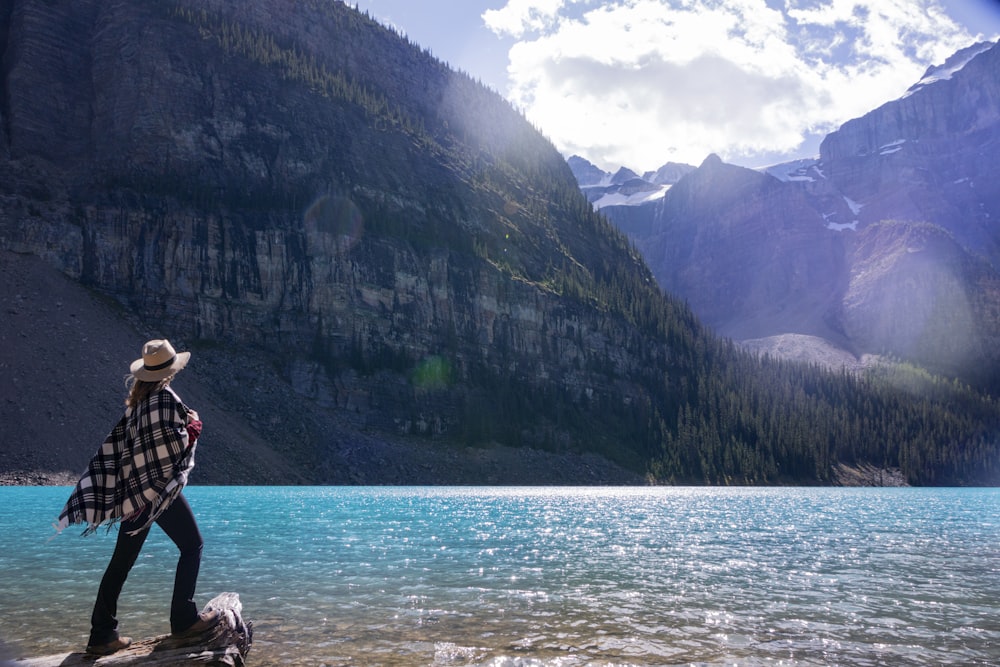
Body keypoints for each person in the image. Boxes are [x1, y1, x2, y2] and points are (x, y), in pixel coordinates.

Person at [56, 339, 219, 656]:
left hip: (135, 495)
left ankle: (101, 634)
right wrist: (195, 426)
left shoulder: (139, 403)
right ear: (169, 371)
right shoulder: (165, 398)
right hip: (157, 492)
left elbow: (138, 450)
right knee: (192, 546)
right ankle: (184, 619)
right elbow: (173, 447)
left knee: (121, 563)